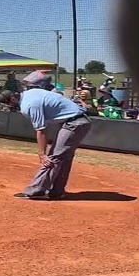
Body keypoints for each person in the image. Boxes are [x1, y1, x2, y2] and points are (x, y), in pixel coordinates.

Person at [15, 70, 91, 200]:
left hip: (75, 122)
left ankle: (36, 190)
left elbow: (41, 131)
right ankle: (57, 191)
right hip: (77, 121)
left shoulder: (30, 103)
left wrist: (42, 154)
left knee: (53, 158)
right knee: (64, 157)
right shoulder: (33, 94)